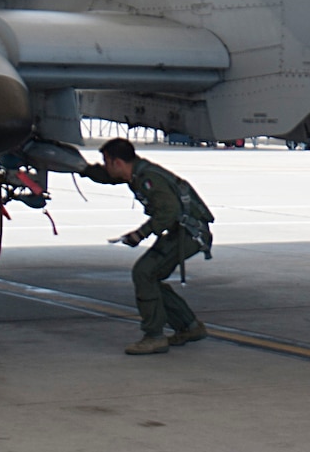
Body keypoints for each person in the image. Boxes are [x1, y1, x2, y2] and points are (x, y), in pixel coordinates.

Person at [80, 137, 212, 355]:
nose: (105, 167)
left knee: (143, 273)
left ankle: (154, 336)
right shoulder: (136, 173)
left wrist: (140, 234)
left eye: (106, 162)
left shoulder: (148, 178)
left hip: (188, 234)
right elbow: (107, 178)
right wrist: (81, 168)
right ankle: (189, 326)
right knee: (151, 277)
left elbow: (168, 212)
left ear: (117, 163)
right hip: (181, 231)